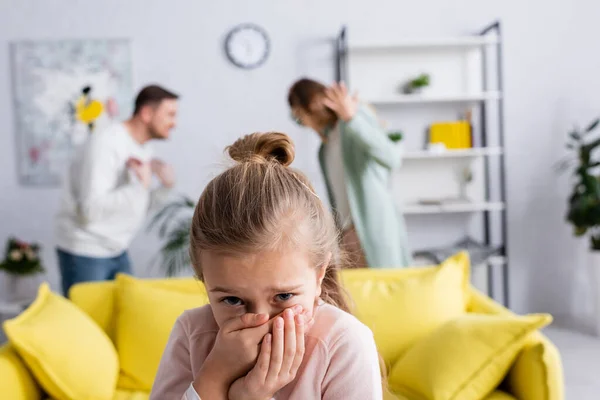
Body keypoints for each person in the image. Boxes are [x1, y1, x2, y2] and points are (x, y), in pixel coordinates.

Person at [150, 132, 383, 400]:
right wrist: (213, 376)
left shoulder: (344, 342)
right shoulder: (192, 333)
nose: (260, 321)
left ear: (319, 276)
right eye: (232, 300)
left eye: (284, 296)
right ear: (203, 278)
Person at [55, 85, 179, 295]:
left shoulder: (143, 147)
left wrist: (165, 187)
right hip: (87, 251)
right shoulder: (106, 143)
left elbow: (136, 204)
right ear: (147, 113)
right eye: (170, 115)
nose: (174, 123)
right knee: (87, 327)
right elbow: (90, 211)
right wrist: (140, 185)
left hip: (118, 249)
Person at [288, 78, 412, 269]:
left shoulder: (354, 118)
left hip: (373, 226)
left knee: (386, 290)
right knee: (355, 296)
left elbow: (391, 158)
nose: (302, 123)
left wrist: (351, 118)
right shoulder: (325, 147)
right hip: (348, 233)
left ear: (311, 106)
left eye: (299, 116)